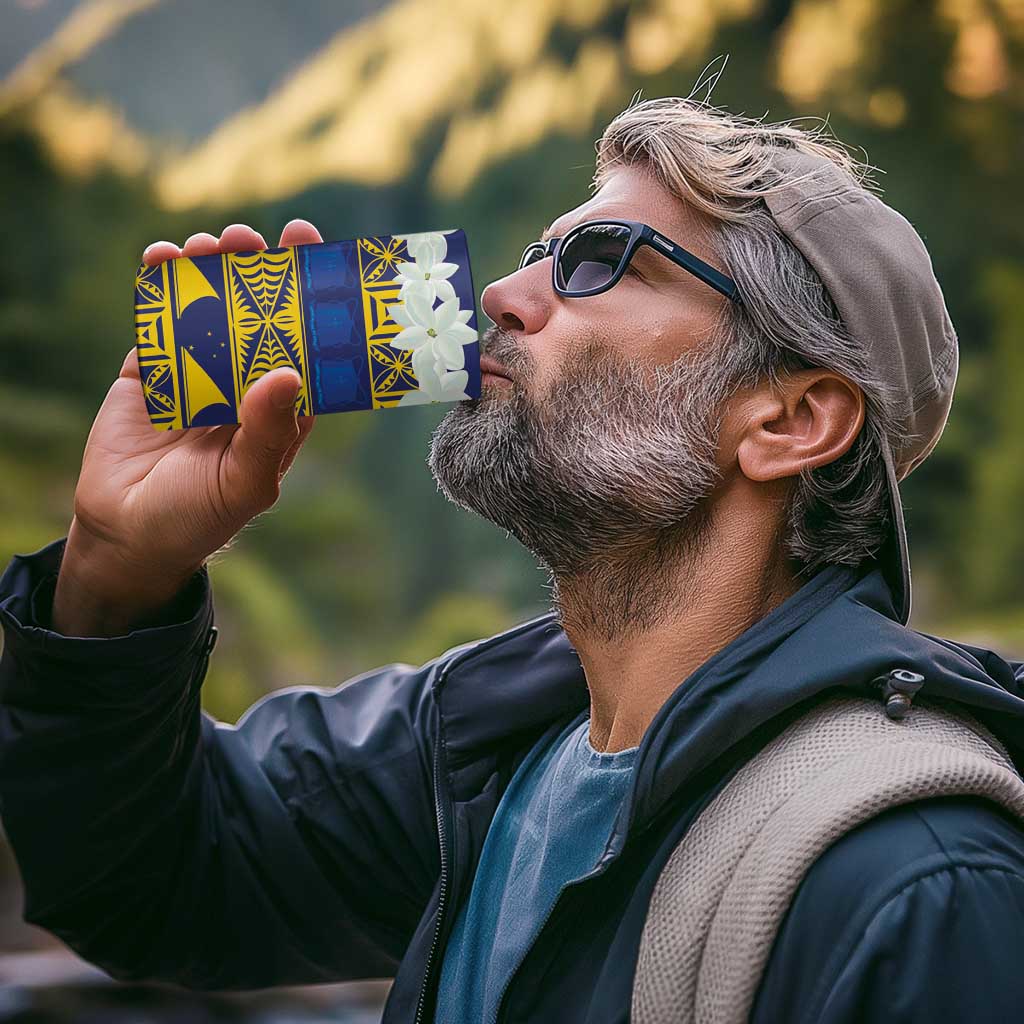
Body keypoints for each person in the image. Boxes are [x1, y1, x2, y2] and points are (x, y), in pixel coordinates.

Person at [2, 95, 1024, 1024]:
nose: (500, 291)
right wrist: (116, 570)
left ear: (791, 419)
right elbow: (148, 880)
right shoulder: (479, 750)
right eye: (540, 252)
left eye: (599, 261)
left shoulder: (918, 884)